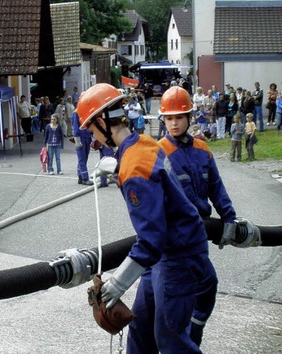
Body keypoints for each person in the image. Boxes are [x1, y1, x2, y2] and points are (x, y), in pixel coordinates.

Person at [76, 83, 217, 353]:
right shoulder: (142, 143)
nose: (93, 139)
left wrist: (117, 284)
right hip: (163, 257)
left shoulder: (133, 167)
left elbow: (152, 238)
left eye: (91, 128)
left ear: (102, 121)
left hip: (178, 256)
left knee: (171, 339)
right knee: (141, 331)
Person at [157, 86, 239, 345]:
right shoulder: (158, 152)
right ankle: (182, 342)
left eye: (178, 117)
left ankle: (192, 335)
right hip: (176, 237)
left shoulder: (203, 150)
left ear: (190, 118)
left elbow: (215, 186)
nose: (173, 123)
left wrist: (229, 218)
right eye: (168, 118)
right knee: (187, 290)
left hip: (199, 233)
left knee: (206, 285)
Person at [72, 110, 92, 185]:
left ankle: (80, 176)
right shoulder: (76, 113)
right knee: (82, 159)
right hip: (81, 138)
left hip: (86, 137)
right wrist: (77, 139)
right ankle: (85, 178)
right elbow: (76, 127)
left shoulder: (85, 111)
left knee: (84, 158)